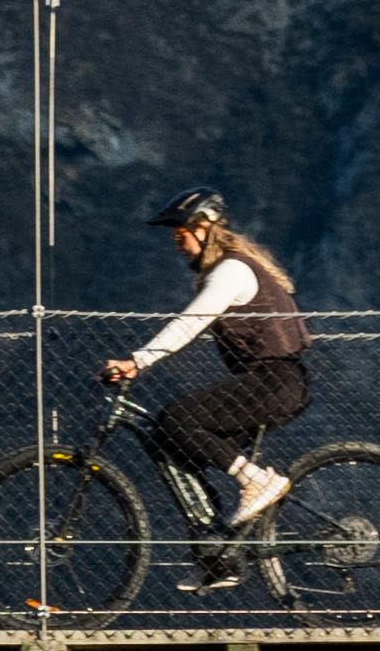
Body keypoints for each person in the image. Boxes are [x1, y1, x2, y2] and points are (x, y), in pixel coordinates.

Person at [104, 186, 311, 569]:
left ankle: (256, 481)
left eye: (180, 234)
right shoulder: (229, 268)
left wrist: (137, 362)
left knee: (177, 418)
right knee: (176, 445)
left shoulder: (231, 271)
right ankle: (221, 556)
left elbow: (189, 325)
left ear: (204, 229)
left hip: (273, 381)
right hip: (274, 384)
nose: (177, 243)